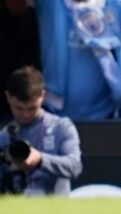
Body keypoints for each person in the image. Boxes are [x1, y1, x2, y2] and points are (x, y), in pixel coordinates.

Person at [0, 67, 82, 195]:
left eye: (32, 108)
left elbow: (75, 166)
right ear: (8, 97)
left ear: (42, 95)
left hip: (55, 207)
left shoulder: (61, 127)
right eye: (19, 108)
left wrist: (41, 160)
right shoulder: (4, 136)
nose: (26, 115)